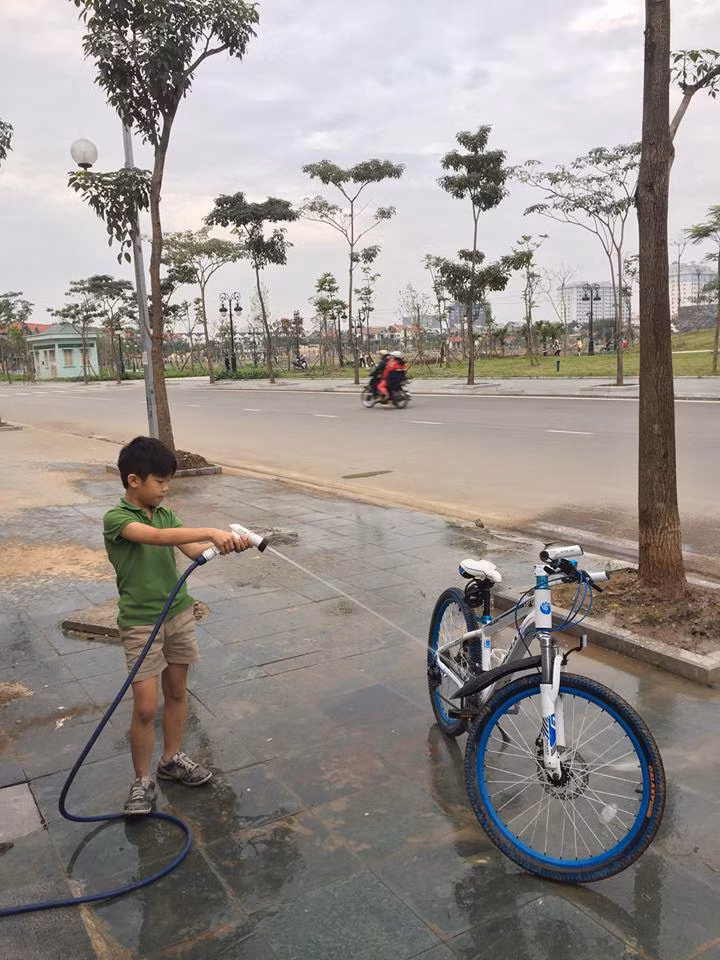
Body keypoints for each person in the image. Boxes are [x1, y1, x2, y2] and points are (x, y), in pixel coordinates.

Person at [103, 436, 251, 816]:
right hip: (141, 623)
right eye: (160, 482)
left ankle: (170, 760)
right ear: (134, 480)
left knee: (178, 693)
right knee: (146, 708)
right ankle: (141, 781)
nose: (166, 489)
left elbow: (193, 552)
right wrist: (209, 530)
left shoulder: (166, 514)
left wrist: (229, 543)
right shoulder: (118, 519)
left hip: (178, 614)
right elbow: (154, 538)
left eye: (169, 482)